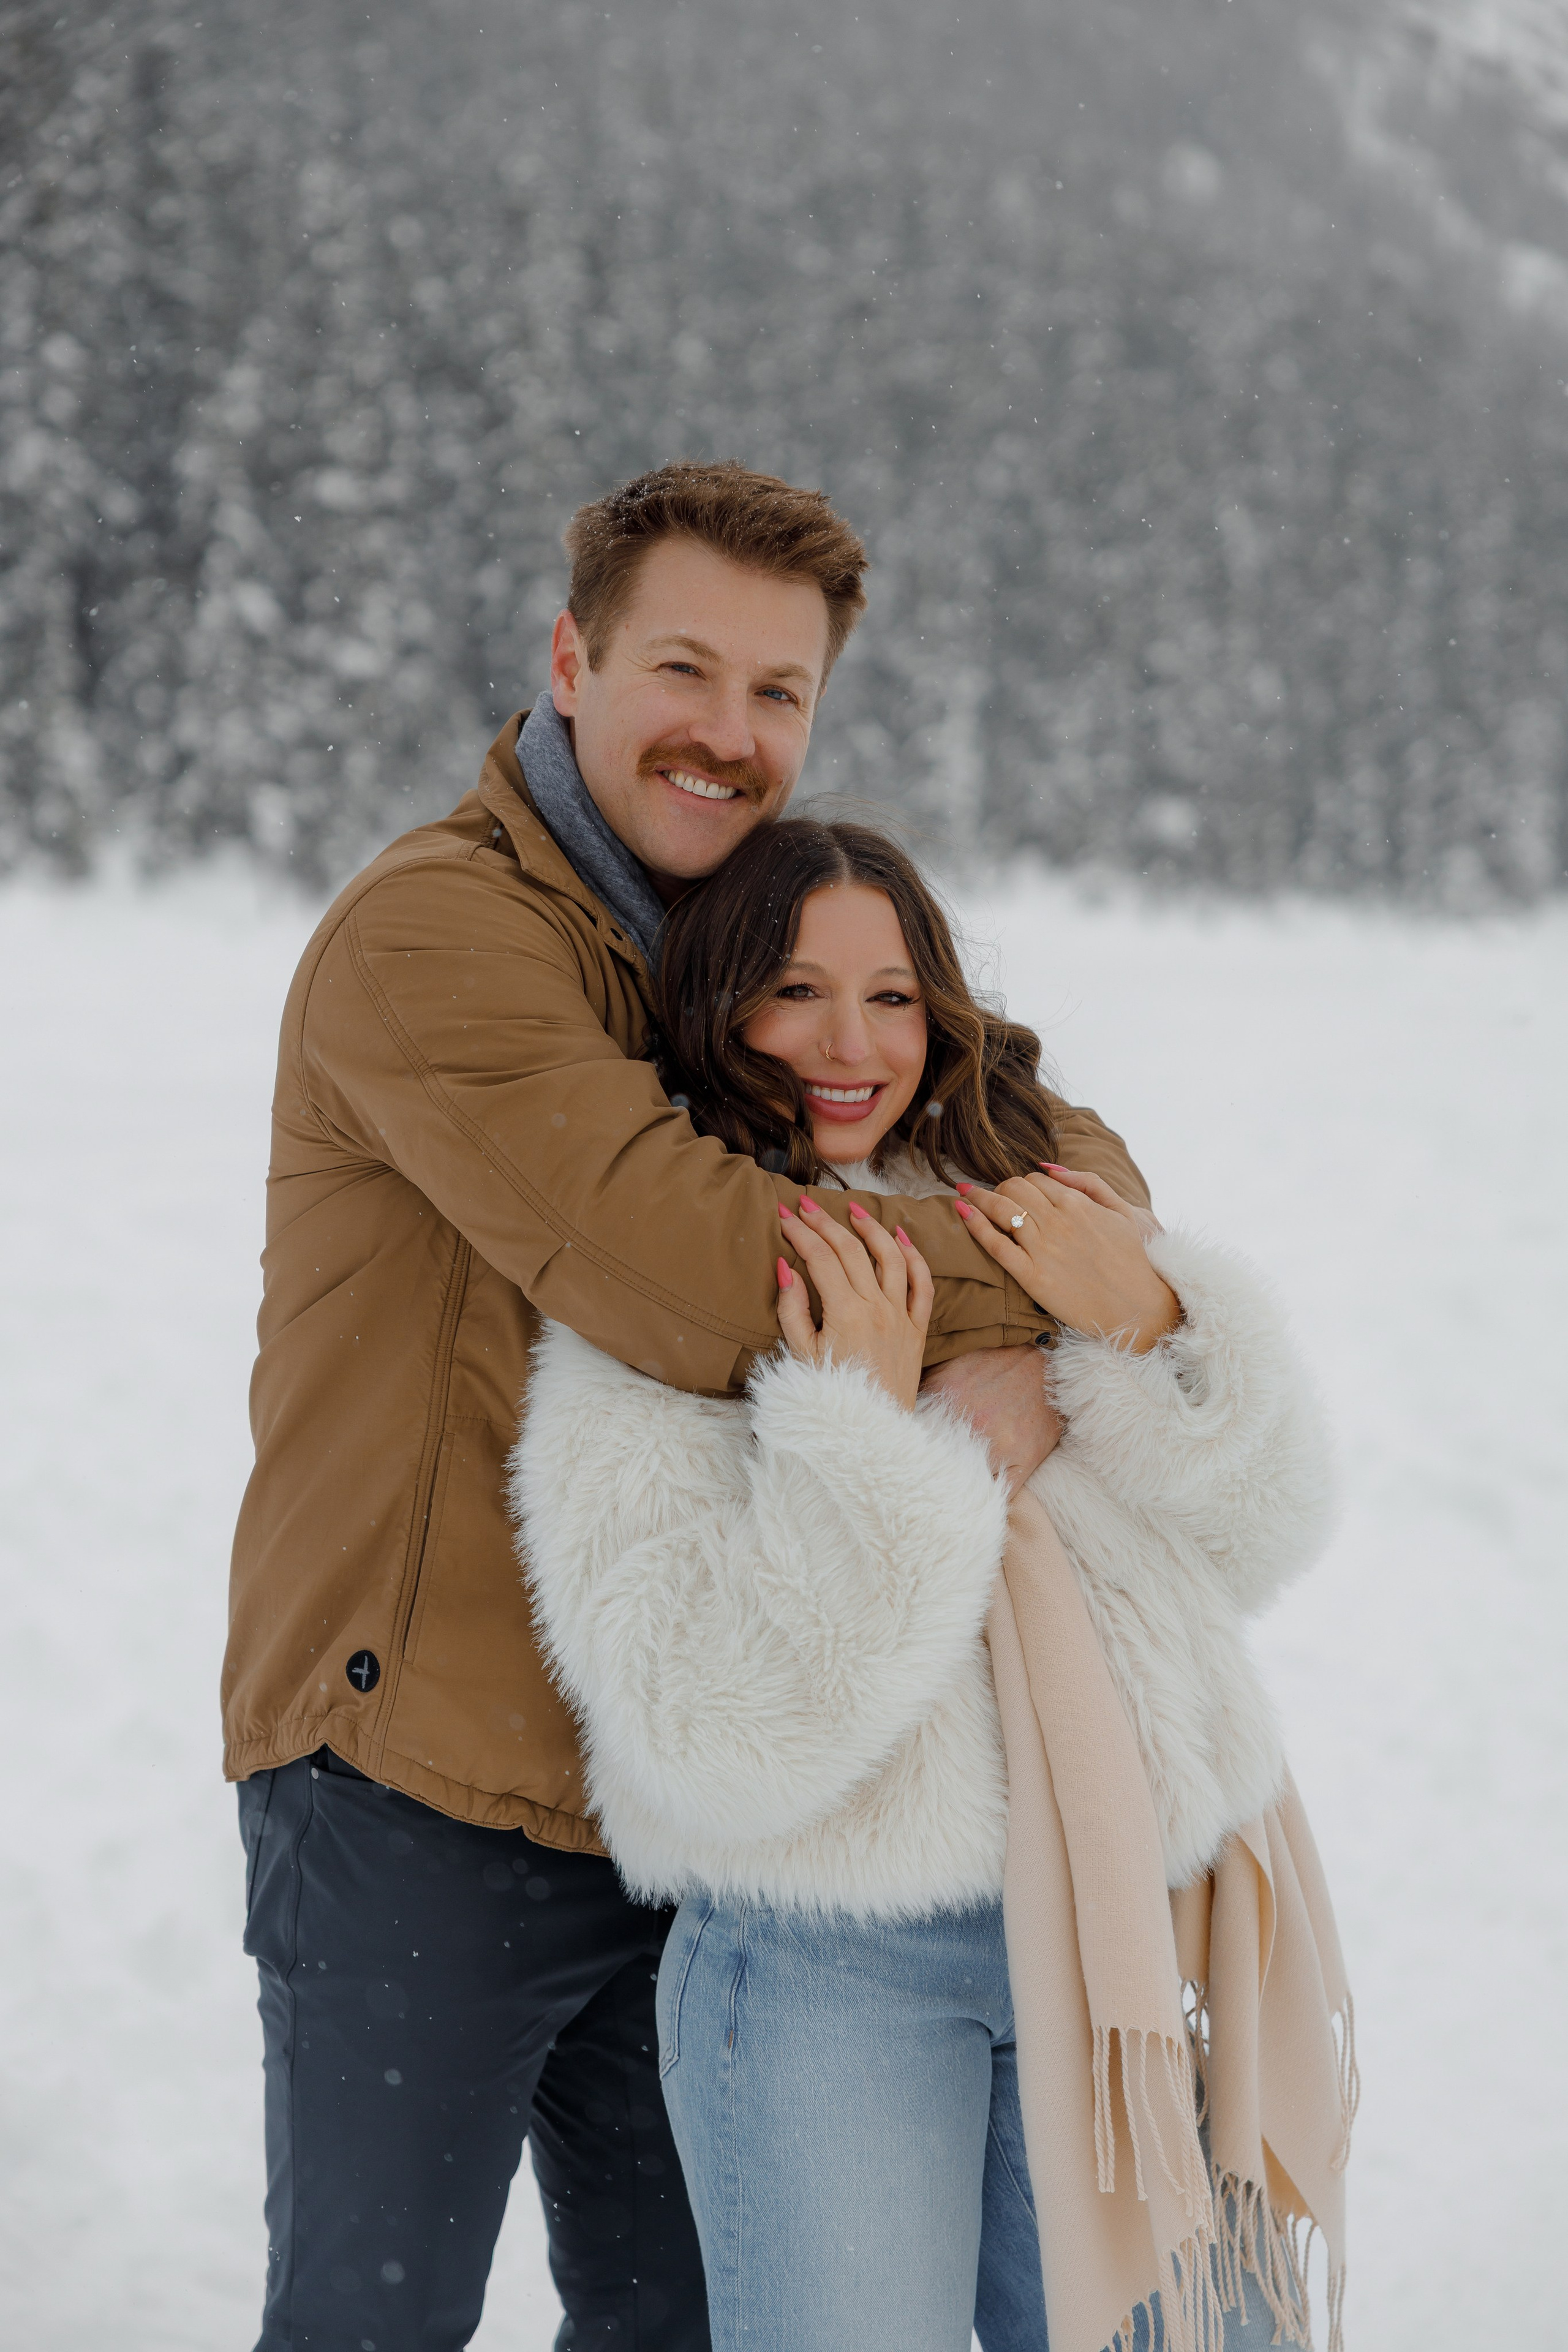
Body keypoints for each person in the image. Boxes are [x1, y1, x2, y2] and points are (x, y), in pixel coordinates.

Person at [225, 461, 1152, 2352]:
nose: (731, 738)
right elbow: (688, 1270)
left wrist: (1125, 1254)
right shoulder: (440, 937)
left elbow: (1040, 1128)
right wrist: (1050, 1297)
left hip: (706, 1791)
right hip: (425, 1777)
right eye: (684, 671)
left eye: (780, 694)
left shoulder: (748, 946)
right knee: (369, 2324)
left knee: (674, 2330)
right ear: (570, 662)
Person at [513, 817, 1339, 2352]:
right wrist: (894, 1446)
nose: (850, 1044)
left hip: (1112, 1931)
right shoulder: (660, 1297)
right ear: (715, 1010)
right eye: (794, 990)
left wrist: (1156, 1324)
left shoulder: (1029, 1222)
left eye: (891, 996)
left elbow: (1265, 1530)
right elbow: (708, 1728)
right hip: (832, 1968)